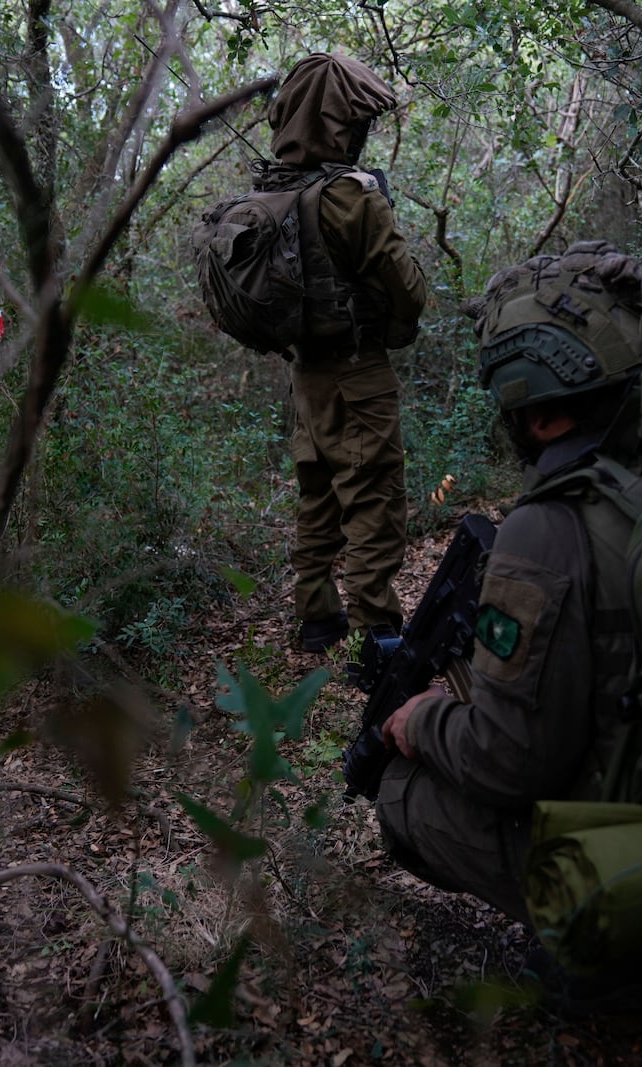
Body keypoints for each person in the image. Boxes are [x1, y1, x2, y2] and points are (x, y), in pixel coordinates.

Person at [373, 241, 642, 925]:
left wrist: (423, 717)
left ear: (536, 412)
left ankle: (625, 958)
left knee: (401, 789)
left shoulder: (548, 526)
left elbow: (511, 761)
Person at [256, 53, 428, 653]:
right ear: (342, 126)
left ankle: (317, 619)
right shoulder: (351, 196)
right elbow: (409, 289)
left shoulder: (273, 194)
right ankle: (374, 637)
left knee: (318, 494)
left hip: (306, 375)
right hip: (360, 371)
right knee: (373, 497)